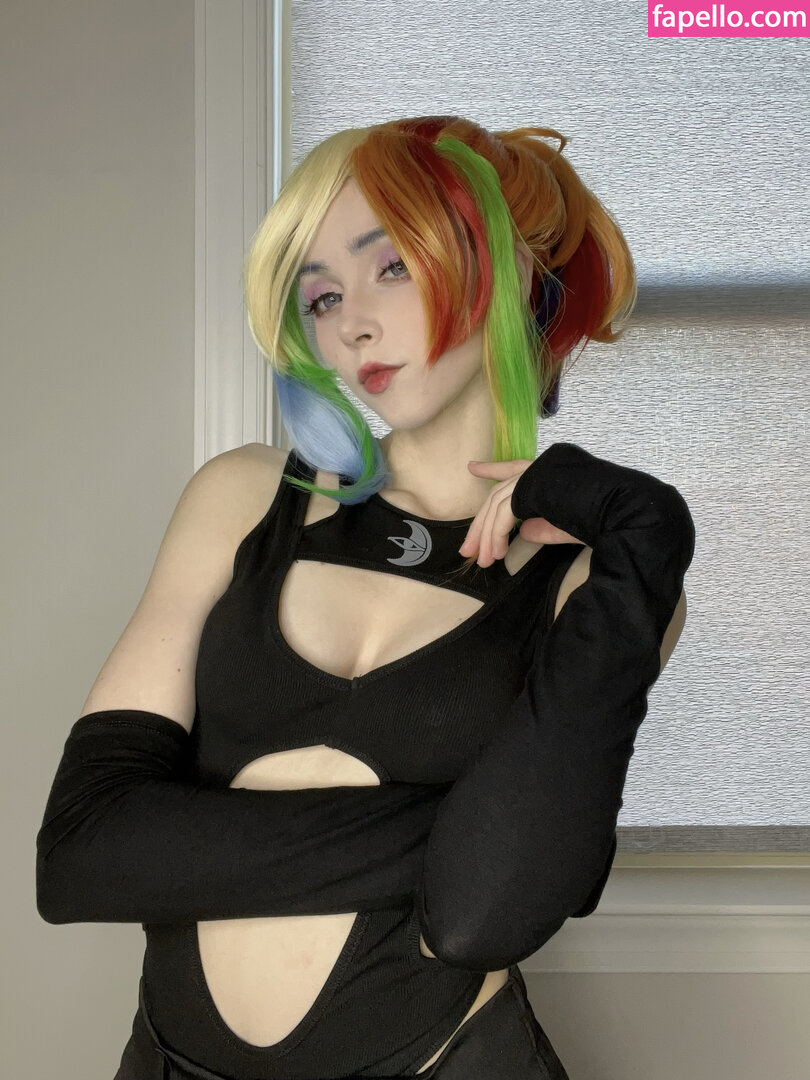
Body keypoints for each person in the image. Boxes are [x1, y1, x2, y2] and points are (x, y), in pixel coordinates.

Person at [36, 115, 695, 1079]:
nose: (350, 323)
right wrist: (464, 830)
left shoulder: (596, 580)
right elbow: (83, 853)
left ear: (512, 273)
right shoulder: (245, 499)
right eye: (322, 295)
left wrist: (648, 520)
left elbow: (484, 911)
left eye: (391, 266)